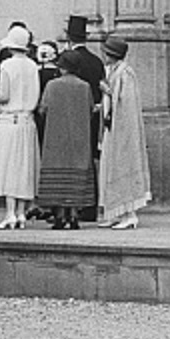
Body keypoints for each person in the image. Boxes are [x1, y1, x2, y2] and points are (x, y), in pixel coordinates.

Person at [0, 25, 40, 229]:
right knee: (24, 167)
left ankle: (10, 213)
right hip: (27, 121)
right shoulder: (33, 66)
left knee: (8, 166)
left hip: (9, 120)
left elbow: (4, 95)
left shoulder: (6, 65)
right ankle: (21, 212)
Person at [37, 49, 96, 230]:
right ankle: (74, 215)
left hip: (56, 137)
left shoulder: (52, 85)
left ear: (62, 67)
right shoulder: (85, 86)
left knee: (57, 172)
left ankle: (60, 216)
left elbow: (43, 108)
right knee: (77, 170)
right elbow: (91, 108)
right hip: (79, 136)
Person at [97, 35, 151, 230]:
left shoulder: (125, 73)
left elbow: (126, 104)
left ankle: (130, 214)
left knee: (123, 166)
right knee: (110, 168)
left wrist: (108, 91)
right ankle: (117, 212)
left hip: (122, 129)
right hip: (112, 128)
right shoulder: (114, 71)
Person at [65, 15, 106, 222]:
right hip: (93, 115)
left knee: (71, 161)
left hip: (72, 117)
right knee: (90, 160)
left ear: (68, 37)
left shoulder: (69, 60)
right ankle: (91, 205)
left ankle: (73, 206)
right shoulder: (96, 61)